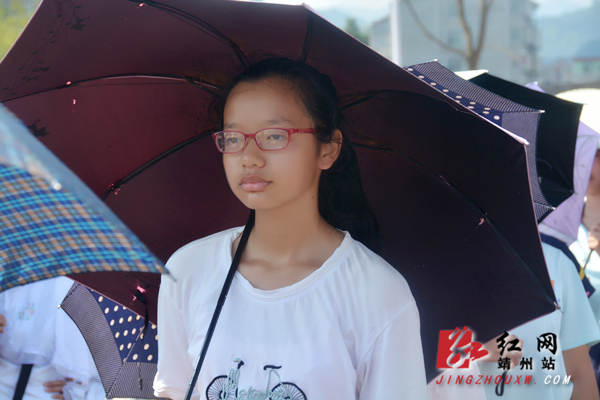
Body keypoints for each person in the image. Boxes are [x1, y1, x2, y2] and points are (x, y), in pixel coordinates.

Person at [152, 58, 428, 399]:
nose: (249, 157)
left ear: (328, 149)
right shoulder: (187, 270)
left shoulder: (376, 292)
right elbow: (174, 389)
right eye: (233, 138)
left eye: (274, 136)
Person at [0, 276, 104, 400]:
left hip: (49, 393)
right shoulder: (13, 272)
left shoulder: (95, 287)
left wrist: (80, 390)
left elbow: (108, 371)